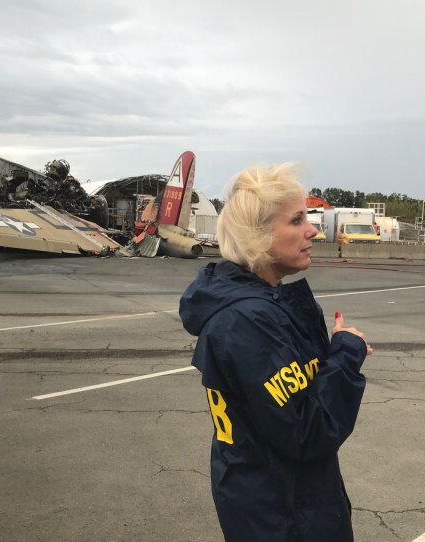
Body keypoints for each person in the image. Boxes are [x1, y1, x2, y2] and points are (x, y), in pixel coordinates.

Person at [179, 163, 372, 541]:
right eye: (297, 220)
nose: (312, 229)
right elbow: (308, 432)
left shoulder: (260, 306)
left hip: (277, 498)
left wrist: (330, 348)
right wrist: (347, 354)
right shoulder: (247, 321)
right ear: (258, 235)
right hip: (281, 513)